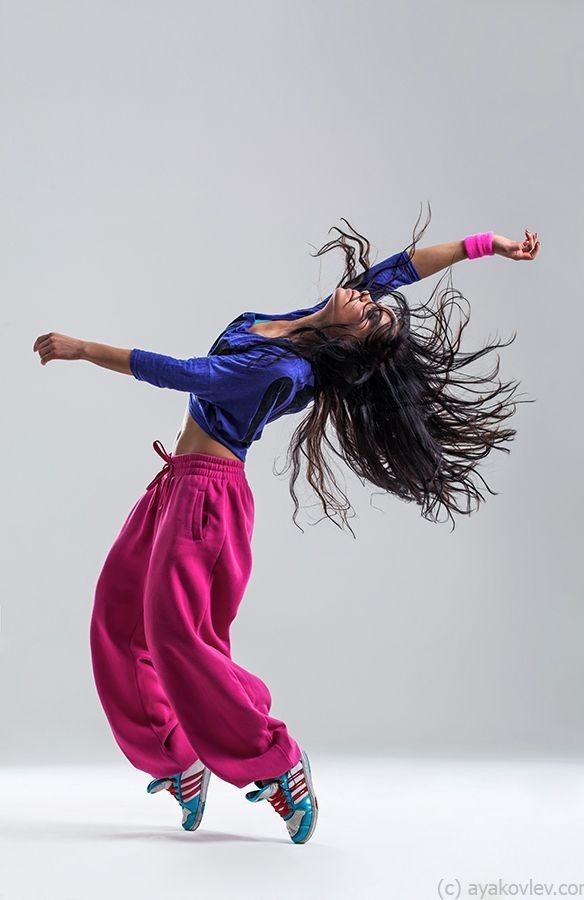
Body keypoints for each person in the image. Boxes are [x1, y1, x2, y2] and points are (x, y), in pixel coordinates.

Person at [32, 214, 540, 844]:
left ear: (353, 345)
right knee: (116, 611)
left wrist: (84, 348)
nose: (369, 299)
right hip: (175, 482)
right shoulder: (316, 317)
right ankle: (179, 758)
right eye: (376, 304)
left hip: (207, 498)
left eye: (374, 315)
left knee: (176, 634)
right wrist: (490, 246)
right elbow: (406, 267)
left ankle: (278, 762)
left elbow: (186, 373)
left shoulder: (289, 370)